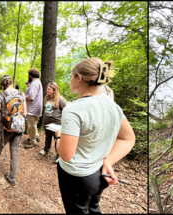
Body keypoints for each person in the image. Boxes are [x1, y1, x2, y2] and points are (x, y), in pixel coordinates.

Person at [56, 57, 135, 213]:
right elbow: (128, 138)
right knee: (93, 207)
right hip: (99, 174)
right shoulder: (111, 104)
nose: (70, 80)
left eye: (71, 76)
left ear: (79, 79)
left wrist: (58, 136)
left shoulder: (73, 110)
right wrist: (108, 162)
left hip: (76, 177)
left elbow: (66, 155)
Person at [0, 75, 27, 187]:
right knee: (14, 152)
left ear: (1, 84)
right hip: (18, 128)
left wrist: (4, 115)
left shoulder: (0, 95)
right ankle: (12, 178)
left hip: (6, 129)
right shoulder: (21, 94)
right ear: (12, 82)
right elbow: (24, 114)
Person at [40, 82, 67, 156]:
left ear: (54, 90)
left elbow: (65, 111)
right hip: (47, 122)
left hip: (56, 124)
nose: (47, 90)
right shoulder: (46, 98)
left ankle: (58, 154)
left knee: (57, 139)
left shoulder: (61, 99)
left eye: (49, 89)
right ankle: (46, 149)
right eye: (47, 89)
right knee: (48, 137)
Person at [24, 68, 43, 149]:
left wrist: (22, 96)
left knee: (31, 126)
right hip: (35, 107)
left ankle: (33, 142)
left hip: (33, 108)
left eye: (29, 75)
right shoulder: (37, 82)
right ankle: (36, 136)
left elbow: (31, 97)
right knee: (34, 124)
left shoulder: (34, 84)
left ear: (31, 76)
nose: (28, 76)